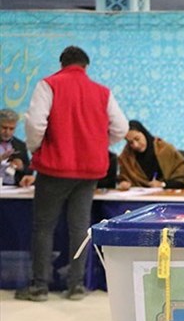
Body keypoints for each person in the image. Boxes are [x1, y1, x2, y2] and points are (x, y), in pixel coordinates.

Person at [15, 46, 128, 302]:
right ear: (85, 66)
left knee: (44, 227)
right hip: (89, 172)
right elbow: (121, 127)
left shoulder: (49, 85)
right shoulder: (102, 92)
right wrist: (98, 145)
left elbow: (35, 123)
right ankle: (76, 285)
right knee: (79, 227)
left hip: (54, 168)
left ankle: (39, 286)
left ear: (62, 64)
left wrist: (36, 148)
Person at [118, 120, 184, 189]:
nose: (135, 145)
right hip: (140, 195)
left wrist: (162, 184)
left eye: (137, 139)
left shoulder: (165, 149)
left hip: (168, 193)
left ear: (144, 133)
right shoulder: (126, 156)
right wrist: (124, 183)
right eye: (130, 142)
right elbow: (123, 178)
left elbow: (181, 178)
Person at [0, 108, 35, 187]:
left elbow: (30, 171)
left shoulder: (20, 145)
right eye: (4, 128)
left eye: (11, 129)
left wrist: (21, 167)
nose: (7, 132)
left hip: (14, 188)